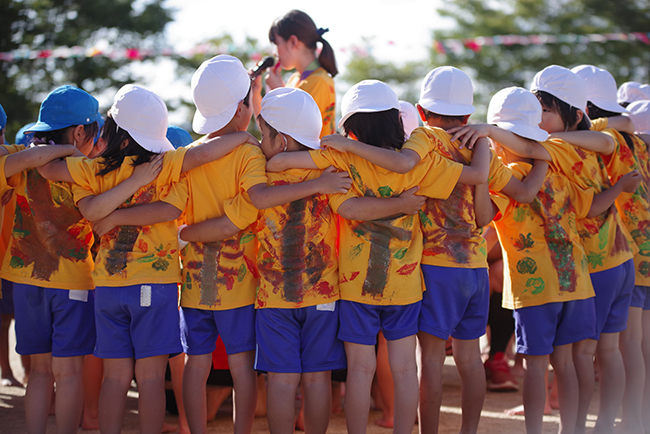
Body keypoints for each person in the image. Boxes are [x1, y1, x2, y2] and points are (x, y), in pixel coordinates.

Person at [320, 68, 544, 434]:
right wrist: (542, 158)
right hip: (475, 270)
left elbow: (402, 165)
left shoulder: (424, 141)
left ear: (422, 112)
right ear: (469, 115)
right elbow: (523, 193)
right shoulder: (479, 147)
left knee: (430, 361)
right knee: (471, 359)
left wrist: (347, 145)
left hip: (433, 270)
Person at [267, 78, 491, 434]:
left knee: (359, 369)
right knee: (404, 368)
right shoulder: (422, 160)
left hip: (356, 288)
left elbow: (280, 163)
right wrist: (485, 140)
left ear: (351, 126)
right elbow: (476, 175)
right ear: (395, 120)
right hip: (404, 286)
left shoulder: (342, 154)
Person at [173, 54, 351, 434]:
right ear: (241, 107)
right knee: (301, 375)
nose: (256, 127)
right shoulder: (264, 157)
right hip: (258, 287)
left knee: (198, 362)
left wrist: (183, 235)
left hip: (232, 288)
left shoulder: (201, 156)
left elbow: (236, 193)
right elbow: (248, 204)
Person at [458, 84, 639, 434]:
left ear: (498, 140)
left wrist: (481, 179)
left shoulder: (506, 182)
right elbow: (593, 208)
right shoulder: (559, 169)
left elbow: (483, 217)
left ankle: (535, 431)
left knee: (536, 367)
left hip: (534, 289)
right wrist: (617, 190)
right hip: (576, 282)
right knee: (568, 363)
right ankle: (571, 430)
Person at [2, 86, 101, 434]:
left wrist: (42, 149)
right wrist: (70, 152)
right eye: (94, 132)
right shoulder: (86, 168)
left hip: (25, 282)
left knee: (39, 372)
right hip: (73, 283)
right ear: (79, 132)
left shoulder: (22, 157)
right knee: (68, 372)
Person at [573, 64, 650, 434]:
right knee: (628, 345)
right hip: (633, 249)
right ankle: (631, 419)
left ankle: (622, 420)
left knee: (618, 346)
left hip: (617, 249)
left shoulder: (601, 139)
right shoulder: (631, 136)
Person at [253, 9, 337, 137]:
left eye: (277, 44)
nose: (275, 52)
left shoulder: (319, 81)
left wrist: (278, 89)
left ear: (293, 41)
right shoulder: (294, 79)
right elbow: (269, 131)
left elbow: (290, 133)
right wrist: (255, 93)